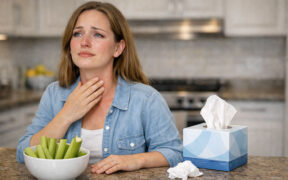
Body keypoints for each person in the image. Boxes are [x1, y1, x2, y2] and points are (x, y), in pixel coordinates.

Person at [17, 1, 182, 174]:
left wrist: (132, 160)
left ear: (118, 48)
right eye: (78, 33)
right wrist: (66, 115)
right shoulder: (54, 94)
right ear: (70, 44)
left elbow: (174, 153)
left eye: (98, 35)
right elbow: (23, 152)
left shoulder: (146, 99)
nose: (85, 42)